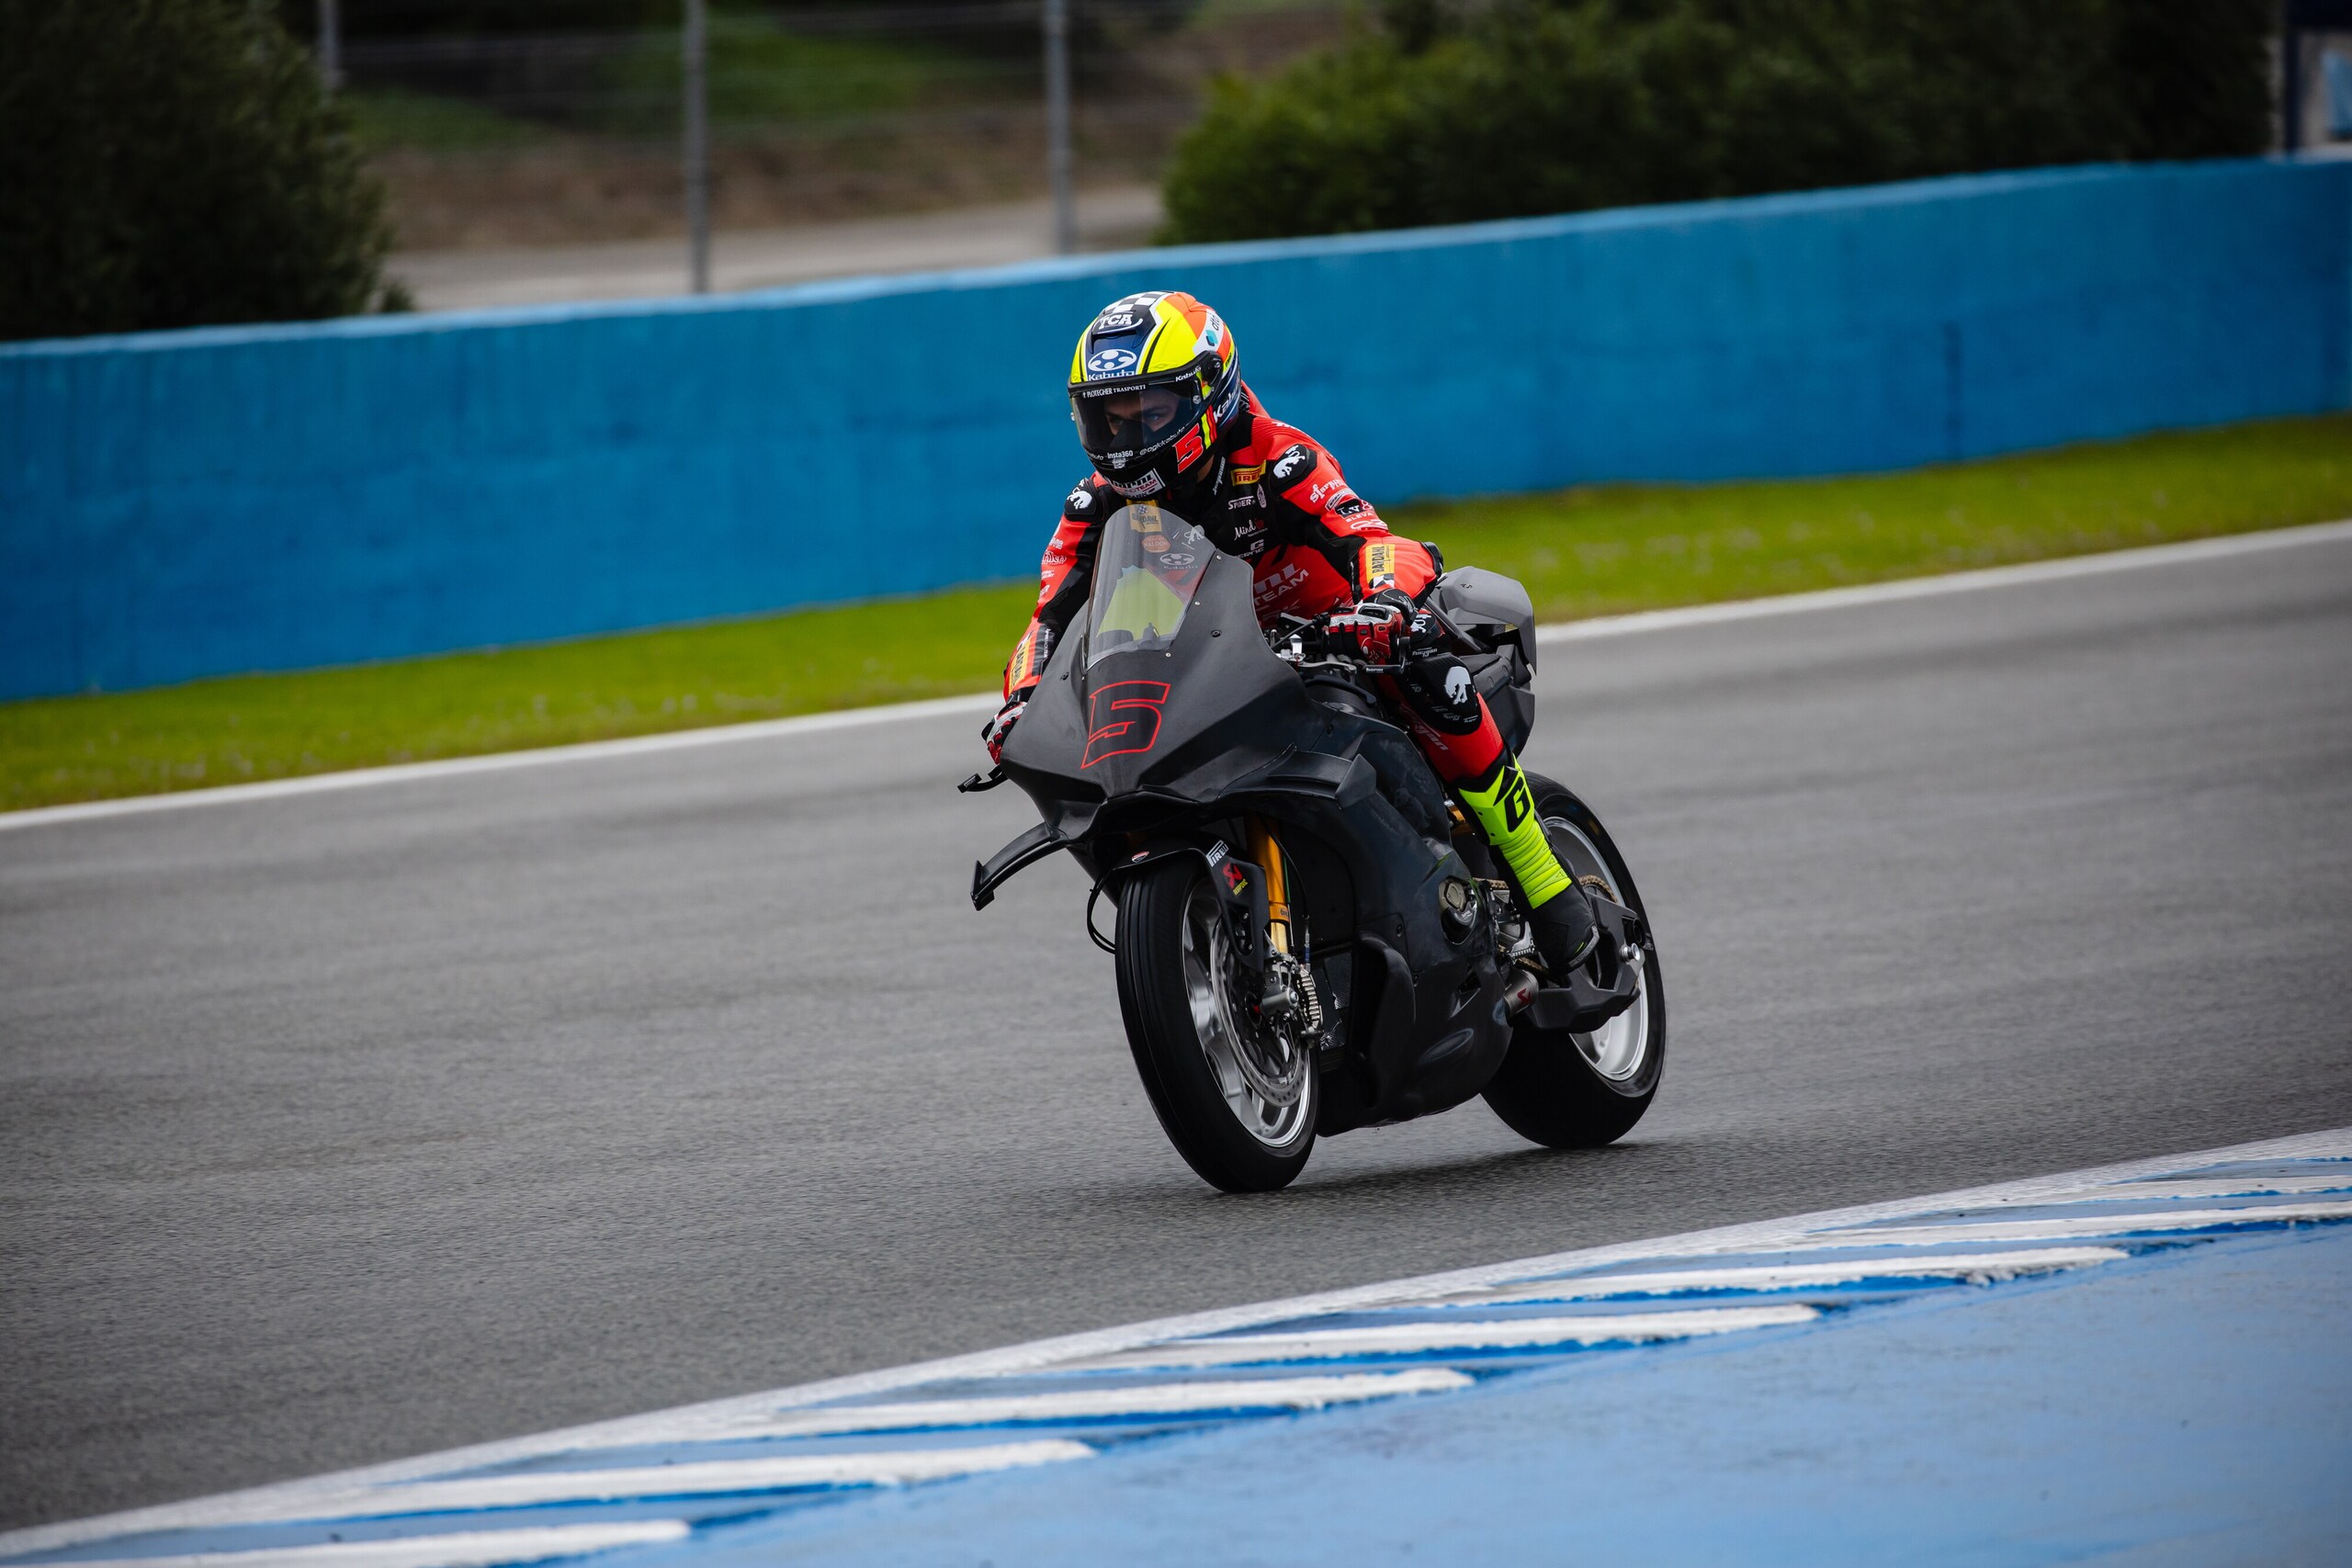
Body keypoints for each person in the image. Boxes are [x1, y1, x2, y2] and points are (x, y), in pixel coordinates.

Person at [983, 290, 1600, 975]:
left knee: (1429, 670)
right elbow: (1050, 617)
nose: (1126, 437)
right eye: (1109, 416)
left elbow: (1368, 536)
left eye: (1149, 411)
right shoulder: (1095, 505)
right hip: (1207, 667)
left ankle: (1542, 879)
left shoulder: (1277, 458)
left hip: (1336, 639)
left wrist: (1386, 604)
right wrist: (1024, 699)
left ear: (1207, 397)